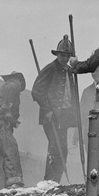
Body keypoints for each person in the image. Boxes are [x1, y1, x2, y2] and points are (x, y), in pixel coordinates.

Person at [31, 36, 78, 184]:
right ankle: (49, 181)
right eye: (62, 55)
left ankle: (55, 182)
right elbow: (37, 90)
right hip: (51, 116)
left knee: (62, 150)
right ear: (57, 55)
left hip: (64, 117)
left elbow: (72, 96)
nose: (64, 58)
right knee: (55, 146)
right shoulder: (51, 68)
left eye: (67, 56)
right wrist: (48, 109)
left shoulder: (71, 72)